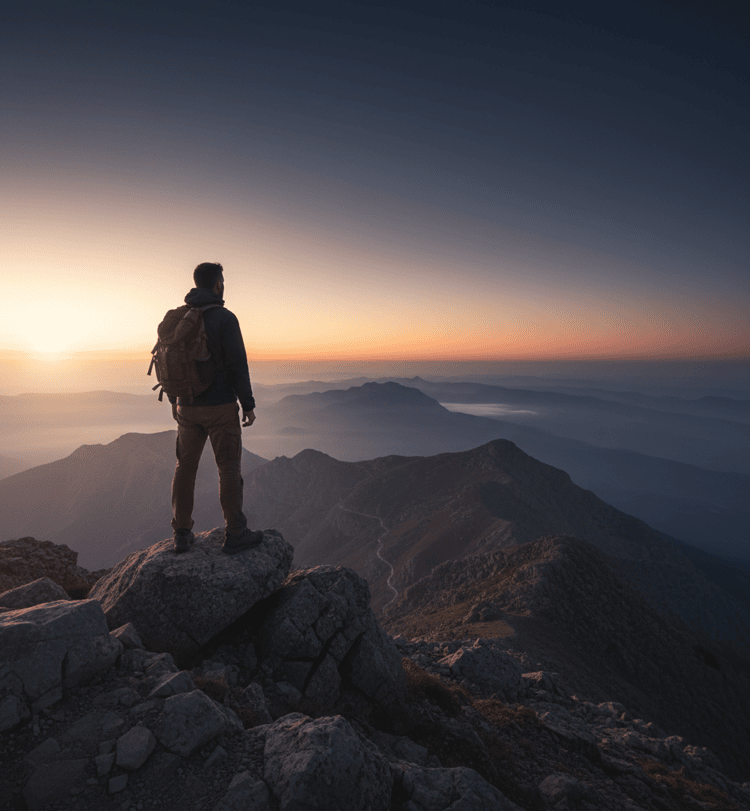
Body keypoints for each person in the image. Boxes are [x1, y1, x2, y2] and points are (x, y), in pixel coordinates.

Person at [169, 262, 263, 554]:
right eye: (222, 280)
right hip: (220, 407)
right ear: (217, 284)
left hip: (186, 408)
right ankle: (235, 532)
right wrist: (247, 404)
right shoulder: (224, 318)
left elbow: (171, 364)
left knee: (185, 469)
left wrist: (175, 400)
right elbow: (237, 364)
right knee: (229, 469)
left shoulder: (176, 318)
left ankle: (182, 534)